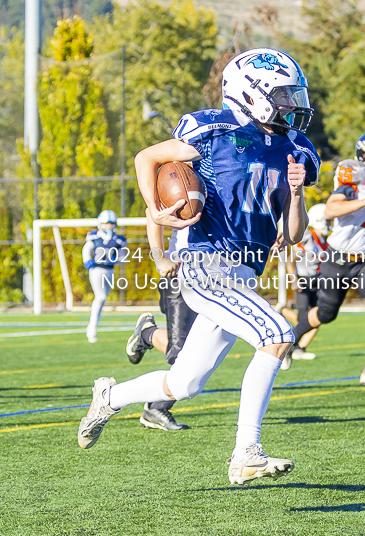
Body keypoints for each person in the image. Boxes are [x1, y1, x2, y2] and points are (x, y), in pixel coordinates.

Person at [77, 48, 320, 485]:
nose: (291, 103)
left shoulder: (295, 148)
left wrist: (298, 193)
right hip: (205, 262)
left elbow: (295, 232)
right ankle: (247, 451)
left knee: (184, 382)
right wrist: (156, 210)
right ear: (251, 93)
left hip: (246, 270)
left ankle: (110, 396)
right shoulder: (214, 130)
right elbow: (146, 158)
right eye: (282, 94)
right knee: (279, 335)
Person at [288, 130, 365, 385]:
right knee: (326, 313)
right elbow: (331, 209)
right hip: (338, 256)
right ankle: (288, 341)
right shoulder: (356, 176)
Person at [124, 220, 194, 431]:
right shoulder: (189, 185)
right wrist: (159, 258)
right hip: (181, 275)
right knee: (184, 356)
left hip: (217, 277)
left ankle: (148, 334)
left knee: (200, 351)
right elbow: (153, 213)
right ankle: (155, 407)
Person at [279, 203, 330, 369]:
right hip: (303, 278)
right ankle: (293, 345)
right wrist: (293, 278)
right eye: (326, 220)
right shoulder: (308, 235)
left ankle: (296, 347)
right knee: (304, 315)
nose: (328, 224)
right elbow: (291, 258)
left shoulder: (324, 238)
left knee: (317, 314)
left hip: (317, 279)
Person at [82, 210, 127, 343]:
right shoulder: (94, 237)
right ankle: (92, 327)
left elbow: (123, 256)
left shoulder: (119, 240)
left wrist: (116, 259)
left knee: (103, 298)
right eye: (106, 224)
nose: (108, 226)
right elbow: (86, 249)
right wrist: (86, 260)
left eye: (111, 224)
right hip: (96, 269)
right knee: (100, 297)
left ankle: (93, 324)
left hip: (109, 271)